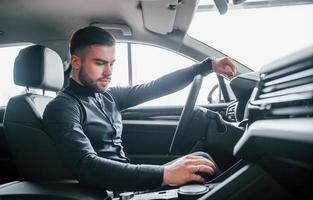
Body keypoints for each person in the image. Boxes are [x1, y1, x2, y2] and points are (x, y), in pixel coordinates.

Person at [43, 26, 236, 191]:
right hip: (109, 191)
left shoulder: (108, 96)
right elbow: (86, 165)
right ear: (76, 62)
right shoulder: (62, 107)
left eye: (112, 64)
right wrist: (165, 174)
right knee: (201, 168)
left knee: (200, 161)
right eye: (100, 63)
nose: (108, 72)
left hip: (125, 184)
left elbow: (156, 87)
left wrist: (208, 65)